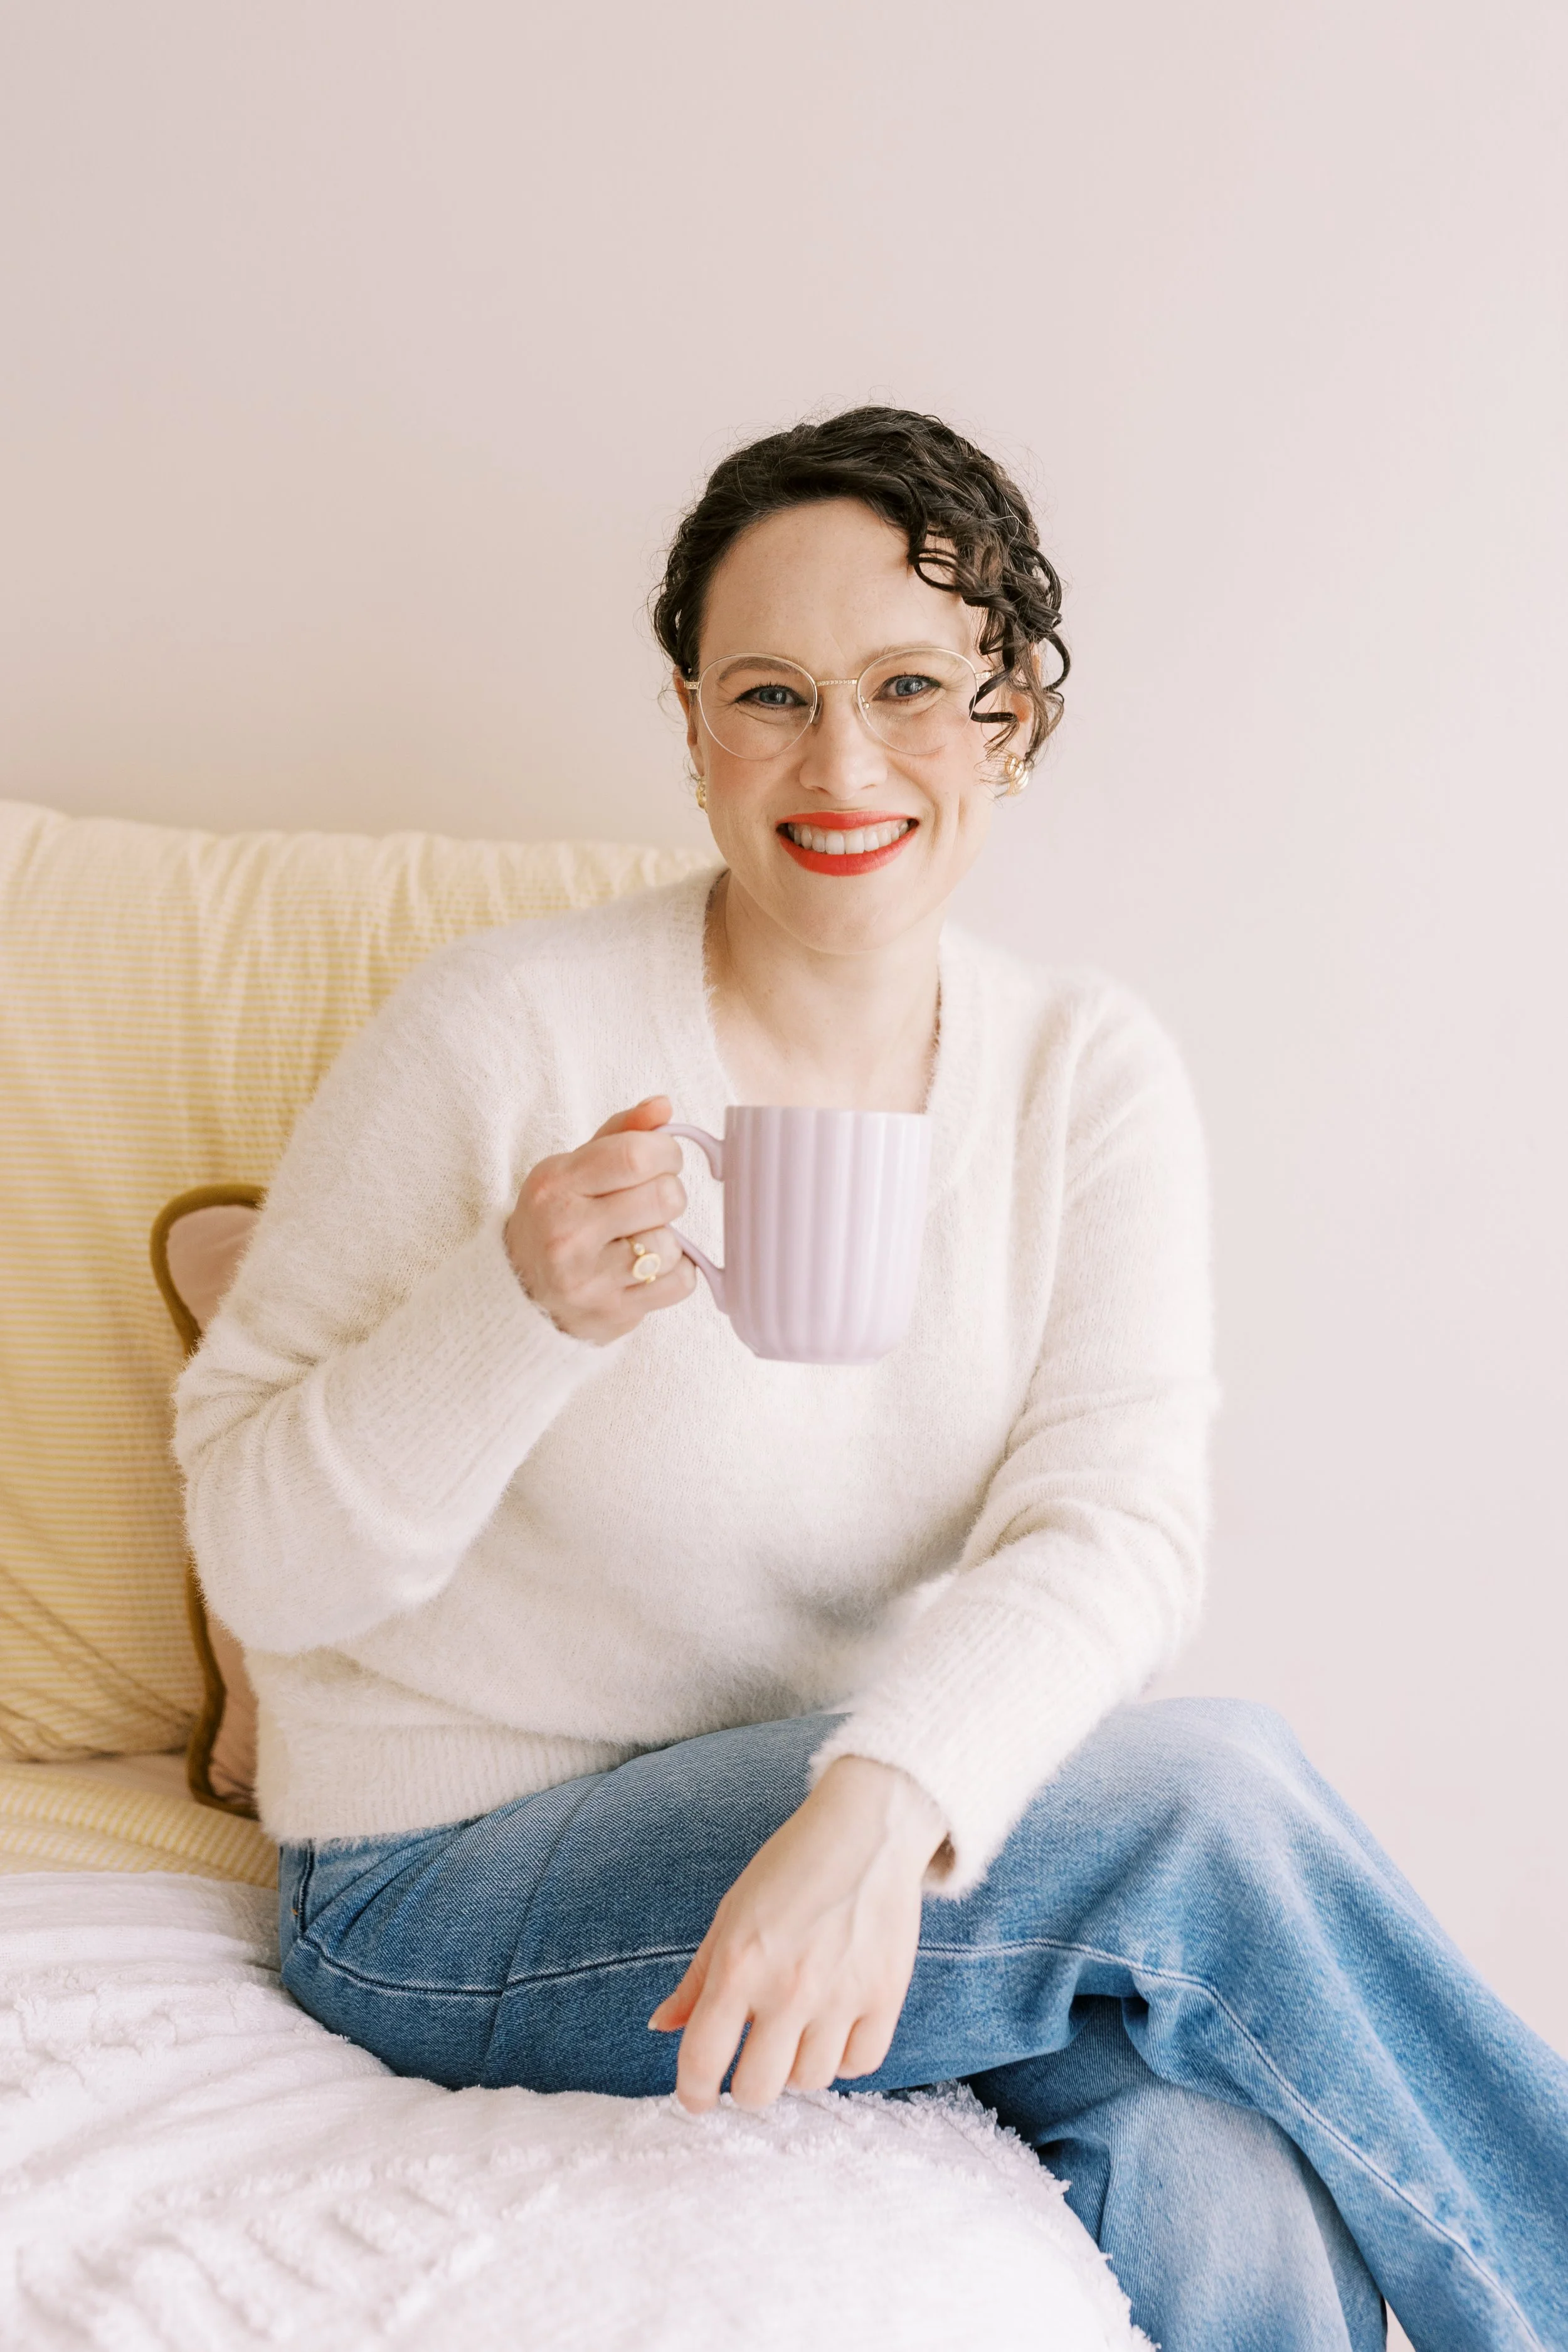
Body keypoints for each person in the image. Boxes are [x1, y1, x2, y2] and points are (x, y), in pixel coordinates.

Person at [174, 407, 1566, 2352]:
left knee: (1217, 2158)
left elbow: (1117, 1519)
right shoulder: (503, 1032)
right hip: (449, 1890)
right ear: (690, 724)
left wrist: (881, 1804)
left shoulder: (1085, 1068)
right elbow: (260, 1553)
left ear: (1011, 720)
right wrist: (514, 1308)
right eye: (771, 694)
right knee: (1210, 1799)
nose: (840, 763)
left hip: (833, 1841)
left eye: (911, 687)